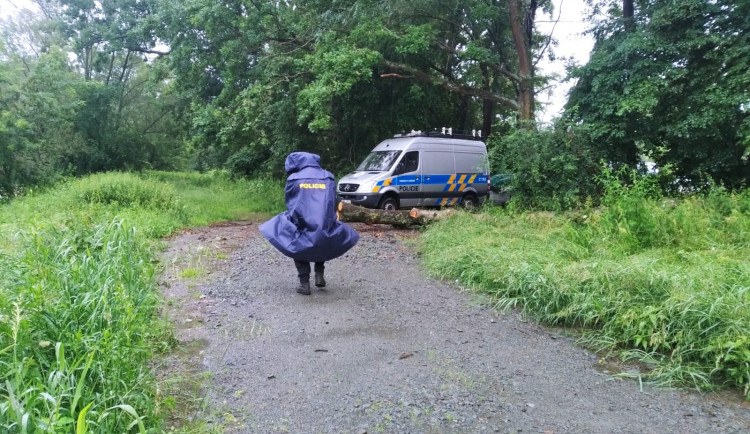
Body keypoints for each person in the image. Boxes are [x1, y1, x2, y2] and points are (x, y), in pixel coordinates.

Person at [260, 152, 359, 295]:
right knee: (322, 237)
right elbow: (333, 200)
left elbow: (290, 201)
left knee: (297, 241)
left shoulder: (294, 178)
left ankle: (304, 283)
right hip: (324, 219)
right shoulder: (328, 176)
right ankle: (319, 273)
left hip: (302, 218)